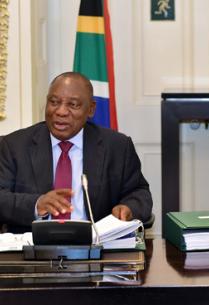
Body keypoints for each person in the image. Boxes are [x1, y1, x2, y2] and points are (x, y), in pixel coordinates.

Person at [0, 72, 153, 233]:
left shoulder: (117, 147)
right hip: (33, 247)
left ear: (91, 109)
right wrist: (36, 204)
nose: (61, 112)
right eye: (53, 102)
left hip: (96, 247)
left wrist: (128, 208)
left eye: (73, 105)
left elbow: (139, 192)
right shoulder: (15, 146)